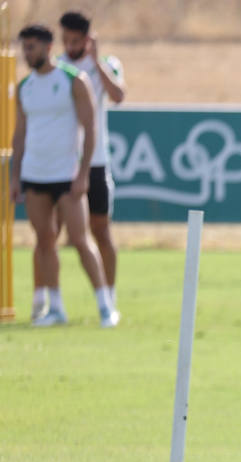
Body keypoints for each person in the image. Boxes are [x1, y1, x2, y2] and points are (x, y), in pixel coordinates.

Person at [10, 23, 115, 328]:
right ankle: (55, 307)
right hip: (35, 173)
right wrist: (15, 177)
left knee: (81, 240)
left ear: (47, 47)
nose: (26, 53)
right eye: (24, 48)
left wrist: (83, 174)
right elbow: (20, 133)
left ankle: (105, 305)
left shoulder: (73, 81)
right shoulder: (25, 86)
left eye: (31, 47)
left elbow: (90, 128)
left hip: (66, 174)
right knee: (45, 241)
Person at [55, 11, 124, 312]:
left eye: (75, 40)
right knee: (52, 232)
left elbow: (118, 95)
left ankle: (110, 295)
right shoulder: (57, 68)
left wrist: (95, 61)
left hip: (96, 162)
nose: (69, 46)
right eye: (65, 40)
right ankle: (51, 302)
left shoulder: (107, 65)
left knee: (100, 229)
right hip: (63, 162)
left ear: (87, 38)